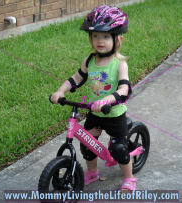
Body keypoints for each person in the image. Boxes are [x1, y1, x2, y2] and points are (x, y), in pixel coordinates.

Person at [50, 5, 136, 193]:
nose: (100, 40)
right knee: (88, 146)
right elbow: (76, 78)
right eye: (96, 36)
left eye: (106, 36)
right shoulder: (89, 61)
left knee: (119, 149)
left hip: (114, 114)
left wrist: (106, 101)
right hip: (94, 113)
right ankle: (93, 172)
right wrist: (60, 91)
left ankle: (129, 177)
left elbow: (124, 89)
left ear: (118, 39)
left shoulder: (119, 64)